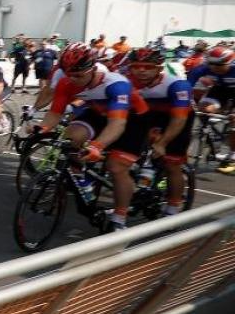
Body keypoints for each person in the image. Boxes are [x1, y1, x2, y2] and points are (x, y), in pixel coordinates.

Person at [32, 43, 148, 231]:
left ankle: (119, 218)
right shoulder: (66, 82)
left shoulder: (115, 84)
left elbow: (117, 124)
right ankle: (83, 181)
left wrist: (97, 146)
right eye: (68, 73)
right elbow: (55, 113)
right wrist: (42, 127)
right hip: (98, 112)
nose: (72, 79)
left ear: (93, 68)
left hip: (132, 119)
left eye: (78, 75)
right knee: (70, 137)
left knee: (116, 167)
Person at [124, 47, 192, 214]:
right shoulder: (126, 82)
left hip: (177, 118)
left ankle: (173, 205)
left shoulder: (177, 85)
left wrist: (162, 143)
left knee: (171, 164)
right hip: (149, 115)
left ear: (159, 68)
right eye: (136, 66)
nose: (141, 71)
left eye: (148, 67)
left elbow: (179, 119)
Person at [188, 46, 235, 175]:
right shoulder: (205, 68)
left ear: (230, 62)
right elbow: (188, 83)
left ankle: (233, 155)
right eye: (211, 64)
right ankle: (213, 139)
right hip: (219, 90)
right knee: (204, 109)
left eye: (219, 64)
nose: (214, 67)